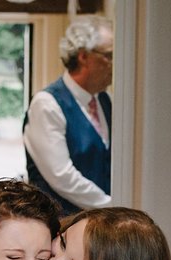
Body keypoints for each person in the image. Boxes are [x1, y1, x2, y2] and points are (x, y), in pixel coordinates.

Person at [23, 15, 113, 216]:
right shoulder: (47, 104)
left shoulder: (105, 101)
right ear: (84, 57)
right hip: (63, 225)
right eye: (108, 55)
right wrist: (112, 206)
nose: (114, 64)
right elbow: (62, 176)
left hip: (101, 225)